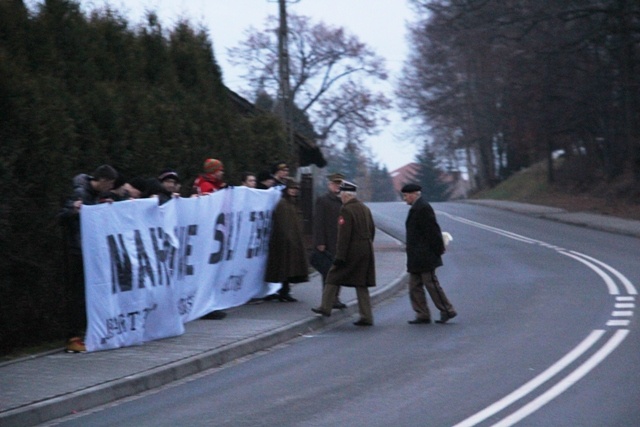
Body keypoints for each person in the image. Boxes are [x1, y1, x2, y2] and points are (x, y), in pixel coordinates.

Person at [58, 164, 119, 353]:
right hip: (76, 251)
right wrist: (73, 211)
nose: (110, 188)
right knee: (77, 295)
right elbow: (61, 216)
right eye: (109, 184)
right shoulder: (80, 193)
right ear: (102, 181)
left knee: (85, 294)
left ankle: (82, 333)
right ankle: (73, 337)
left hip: (87, 251)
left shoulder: (92, 195)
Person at [312, 181, 376, 326]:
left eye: (341, 194)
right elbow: (372, 229)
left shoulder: (346, 210)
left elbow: (344, 236)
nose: (340, 197)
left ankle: (325, 307)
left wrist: (340, 256)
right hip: (366, 249)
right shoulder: (364, 208)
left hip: (352, 250)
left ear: (346, 195)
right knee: (361, 283)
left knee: (333, 276)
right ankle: (366, 316)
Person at [401, 183, 457, 324]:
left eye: (406, 195)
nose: (404, 198)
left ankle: (447, 310)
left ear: (414, 194)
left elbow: (433, 232)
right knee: (414, 286)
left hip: (425, 255)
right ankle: (422, 314)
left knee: (431, 284)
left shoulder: (423, 208)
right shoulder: (416, 208)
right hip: (416, 256)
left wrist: (438, 250)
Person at [264, 177, 309, 302]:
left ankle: (285, 291)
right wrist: (289, 238)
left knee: (289, 268)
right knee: (284, 268)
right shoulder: (283, 204)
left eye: (295, 189)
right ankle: (283, 291)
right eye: (292, 189)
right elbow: (283, 223)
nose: (294, 191)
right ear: (287, 190)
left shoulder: (293, 203)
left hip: (293, 240)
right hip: (284, 241)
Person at [311, 172, 347, 309]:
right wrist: (320, 242)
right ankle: (328, 300)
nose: (337, 187)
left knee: (339, 272)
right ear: (330, 185)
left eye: (340, 184)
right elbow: (318, 222)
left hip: (340, 242)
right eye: (335, 184)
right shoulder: (323, 200)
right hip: (328, 242)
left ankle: (335, 298)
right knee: (328, 272)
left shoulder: (344, 201)